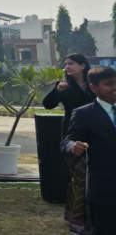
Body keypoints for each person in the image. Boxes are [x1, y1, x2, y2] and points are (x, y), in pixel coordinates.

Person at [42, 53, 95, 234]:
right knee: (78, 172)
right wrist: (57, 91)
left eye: (71, 63)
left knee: (92, 172)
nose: (67, 67)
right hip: (72, 134)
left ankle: (90, 210)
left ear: (83, 65)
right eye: (65, 64)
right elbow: (47, 104)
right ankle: (77, 214)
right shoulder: (64, 85)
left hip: (95, 132)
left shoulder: (94, 84)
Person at [62, 65, 116, 235]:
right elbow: (67, 141)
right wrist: (73, 146)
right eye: (109, 84)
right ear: (93, 88)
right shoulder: (84, 114)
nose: (115, 88)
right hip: (104, 188)